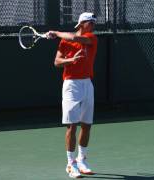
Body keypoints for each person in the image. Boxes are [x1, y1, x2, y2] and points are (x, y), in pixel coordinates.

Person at [47, 12, 98, 179]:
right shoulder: (65, 41)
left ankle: (82, 160)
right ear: (82, 23)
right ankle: (70, 163)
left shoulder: (91, 38)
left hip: (87, 84)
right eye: (90, 22)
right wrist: (70, 61)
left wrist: (55, 32)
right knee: (72, 126)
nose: (93, 25)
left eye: (93, 23)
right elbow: (56, 62)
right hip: (71, 85)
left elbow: (74, 38)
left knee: (87, 125)